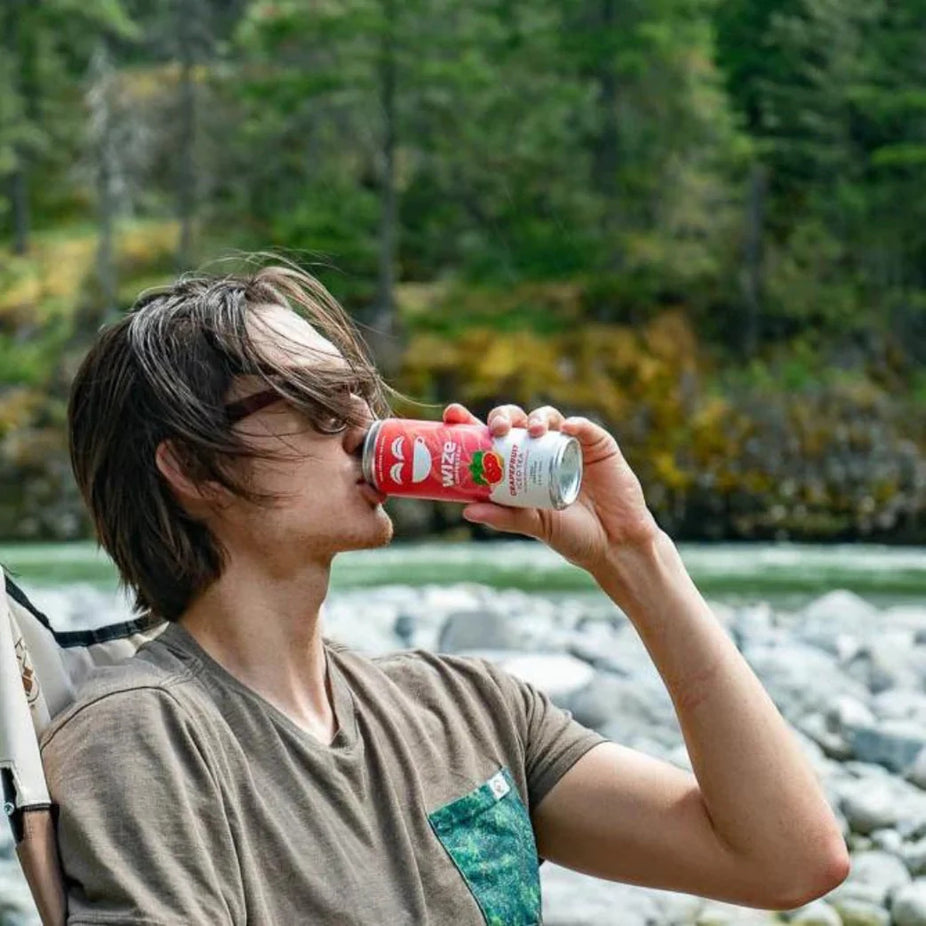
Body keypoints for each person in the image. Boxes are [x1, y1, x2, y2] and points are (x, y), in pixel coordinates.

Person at [41, 264, 849, 925]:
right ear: (193, 469)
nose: (362, 422)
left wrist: (636, 558)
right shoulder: (145, 738)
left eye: (359, 390)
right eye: (313, 400)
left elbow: (787, 862)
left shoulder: (469, 709)